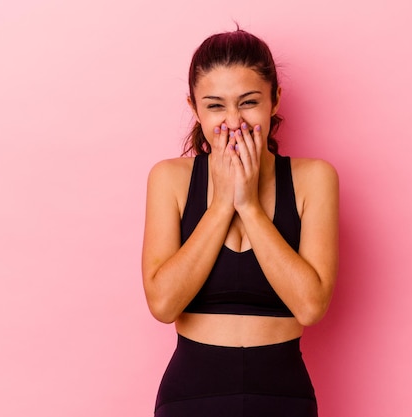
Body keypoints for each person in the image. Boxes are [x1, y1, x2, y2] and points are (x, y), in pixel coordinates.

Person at [142, 28, 339, 417]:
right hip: (192, 397)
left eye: (248, 102)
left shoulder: (314, 178)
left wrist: (248, 205)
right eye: (215, 106)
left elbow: (310, 306)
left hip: (283, 397)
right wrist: (220, 206)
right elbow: (163, 304)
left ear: (274, 99)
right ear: (194, 107)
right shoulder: (169, 179)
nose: (234, 122)